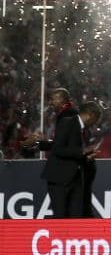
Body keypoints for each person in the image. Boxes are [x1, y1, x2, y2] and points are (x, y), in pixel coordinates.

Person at [26, 89, 100, 218]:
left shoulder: (85, 131)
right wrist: (81, 151)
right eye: (96, 119)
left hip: (76, 179)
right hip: (59, 179)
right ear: (90, 115)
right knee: (61, 218)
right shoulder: (67, 121)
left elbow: (74, 151)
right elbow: (57, 148)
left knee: (76, 217)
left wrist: (87, 157)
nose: (96, 123)